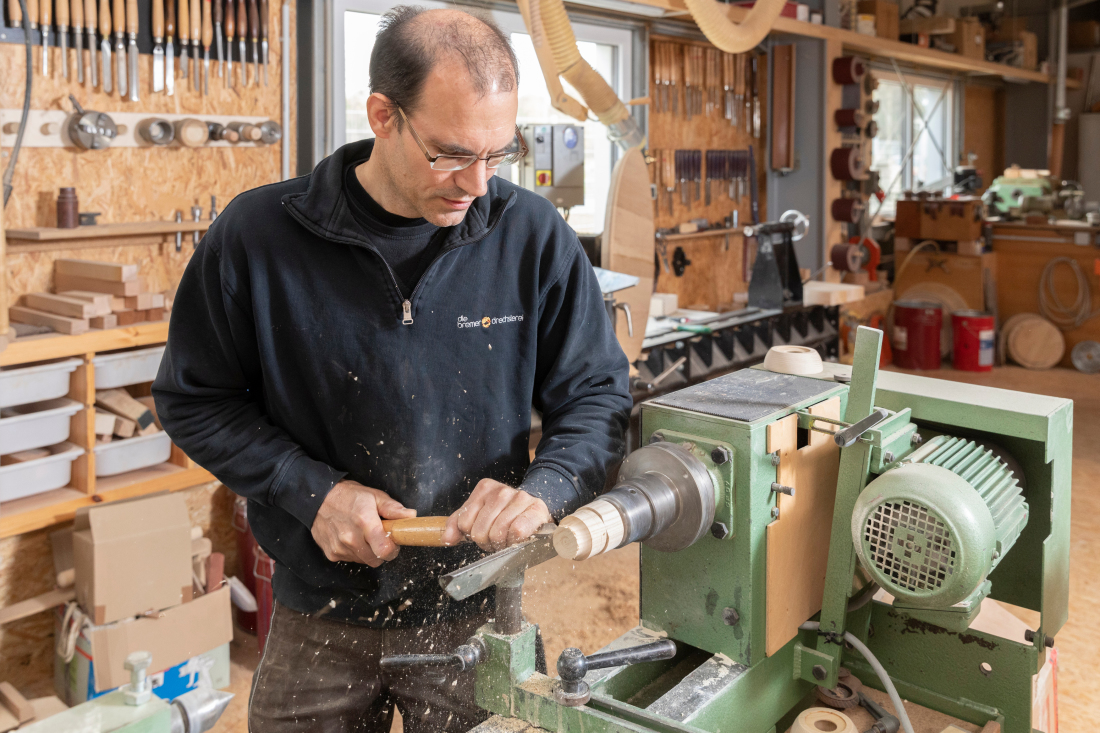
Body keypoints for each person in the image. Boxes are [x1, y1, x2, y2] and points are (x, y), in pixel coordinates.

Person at [152, 5, 632, 732]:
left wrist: (547, 487)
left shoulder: (531, 237)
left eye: (497, 154)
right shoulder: (257, 238)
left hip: (478, 614)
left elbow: (596, 397)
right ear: (383, 115)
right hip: (318, 613)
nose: (476, 182)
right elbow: (194, 400)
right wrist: (310, 491)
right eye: (450, 153)